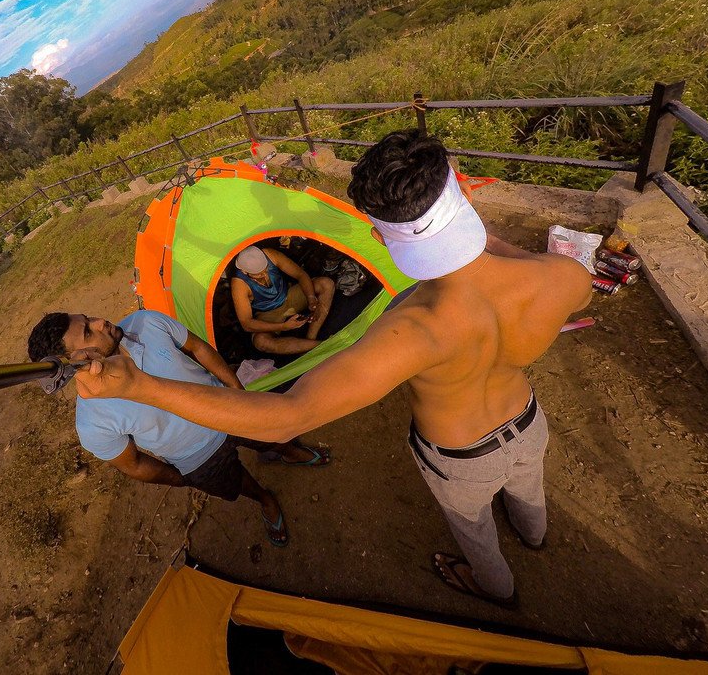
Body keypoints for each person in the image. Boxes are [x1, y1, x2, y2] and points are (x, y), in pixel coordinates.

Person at [75, 129, 592, 606]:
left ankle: (495, 587)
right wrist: (469, 233)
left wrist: (142, 385)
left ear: (381, 231)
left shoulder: (410, 333)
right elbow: (503, 259)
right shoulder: (561, 277)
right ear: (457, 190)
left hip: (463, 458)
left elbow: (285, 418)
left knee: (476, 531)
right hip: (528, 422)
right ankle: (535, 534)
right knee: (530, 488)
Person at [27, 309, 332, 547]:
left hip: (230, 408)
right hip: (197, 458)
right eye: (87, 330)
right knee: (236, 482)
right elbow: (132, 464)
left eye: (87, 317)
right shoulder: (93, 421)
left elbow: (198, 348)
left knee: (272, 433)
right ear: (75, 362)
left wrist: (237, 390)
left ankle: (288, 451)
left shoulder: (145, 322)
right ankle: (265, 499)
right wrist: (180, 477)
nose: (100, 321)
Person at [231, 245, 335, 355]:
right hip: (267, 314)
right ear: (245, 272)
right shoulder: (239, 284)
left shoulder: (270, 255)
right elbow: (246, 324)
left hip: (288, 296)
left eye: (266, 269)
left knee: (326, 284)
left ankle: (310, 341)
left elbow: (300, 274)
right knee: (261, 342)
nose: (265, 275)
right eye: (259, 275)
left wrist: (311, 298)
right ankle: (321, 345)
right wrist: (283, 327)